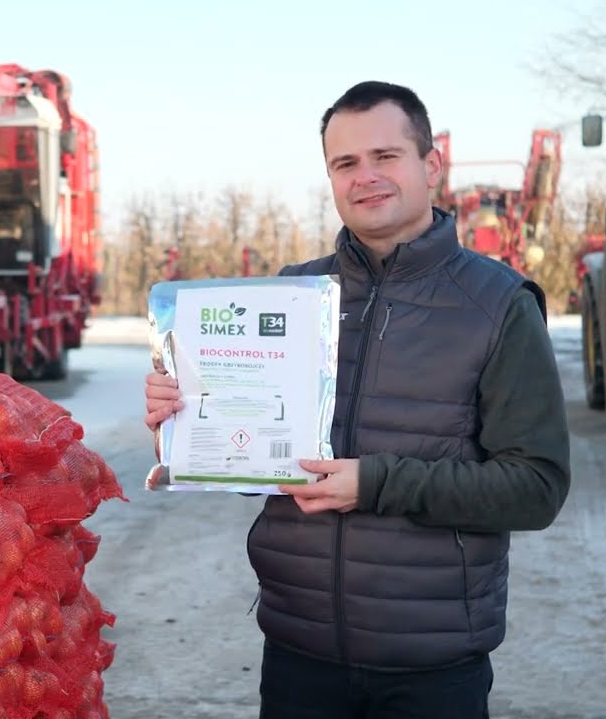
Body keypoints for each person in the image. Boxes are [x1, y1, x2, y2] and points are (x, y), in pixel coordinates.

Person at [142, 81, 571, 718]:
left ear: (430, 165)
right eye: (345, 163)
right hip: (298, 653)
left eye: (385, 156)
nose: (365, 177)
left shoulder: (498, 305)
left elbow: (534, 487)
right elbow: (255, 461)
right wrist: (187, 419)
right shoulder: (289, 298)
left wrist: (374, 483)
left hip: (432, 666)